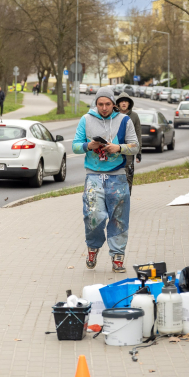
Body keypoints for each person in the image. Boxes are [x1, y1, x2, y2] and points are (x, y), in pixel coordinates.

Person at [72, 86, 140, 272]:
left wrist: (119, 148)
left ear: (113, 104)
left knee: (119, 218)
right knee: (93, 215)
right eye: (100, 104)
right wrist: (89, 146)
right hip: (93, 175)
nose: (103, 108)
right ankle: (93, 248)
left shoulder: (124, 120)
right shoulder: (86, 119)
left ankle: (117, 257)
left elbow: (135, 146)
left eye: (107, 104)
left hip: (117, 176)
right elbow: (75, 146)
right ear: (96, 103)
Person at [116, 93, 142, 195]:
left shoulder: (134, 116)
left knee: (128, 175)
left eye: (126, 101)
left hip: (129, 151)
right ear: (118, 103)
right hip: (116, 150)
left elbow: (138, 134)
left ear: (129, 103)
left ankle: (127, 197)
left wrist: (139, 152)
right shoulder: (114, 115)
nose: (123, 103)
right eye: (121, 101)